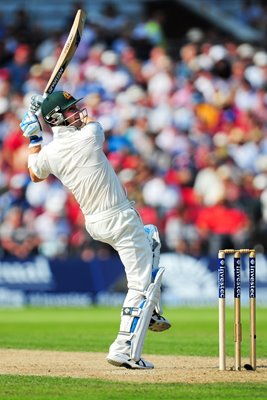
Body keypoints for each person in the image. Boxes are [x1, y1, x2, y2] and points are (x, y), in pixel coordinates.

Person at [20, 90, 171, 370]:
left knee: (150, 237)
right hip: (119, 219)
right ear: (57, 117)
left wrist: (34, 136)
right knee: (140, 285)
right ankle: (123, 348)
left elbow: (34, 172)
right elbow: (92, 126)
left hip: (96, 223)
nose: (78, 112)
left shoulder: (51, 153)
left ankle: (150, 313)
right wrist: (47, 115)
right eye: (70, 110)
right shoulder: (90, 135)